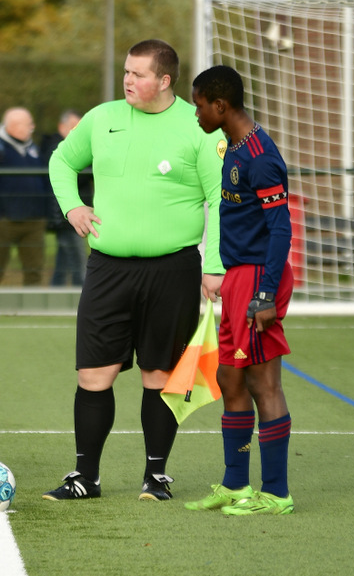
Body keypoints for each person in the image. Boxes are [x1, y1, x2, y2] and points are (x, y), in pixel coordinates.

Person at [43, 39, 226, 502]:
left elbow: (220, 199)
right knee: (93, 375)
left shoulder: (200, 127)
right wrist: (72, 206)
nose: (127, 80)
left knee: (159, 376)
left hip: (173, 271)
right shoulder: (101, 118)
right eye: (126, 71)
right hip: (107, 269)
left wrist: (214, 265)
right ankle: (86, 477)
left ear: (164, 80)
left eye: (137, 74)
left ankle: (156, 476)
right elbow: (62, 161)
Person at [185, 65, 294, 515]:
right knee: (229, 377)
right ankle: (235, 485)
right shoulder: (232, 145)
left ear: (220, 105)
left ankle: (276, 493)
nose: (196, 114)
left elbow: (281, 229)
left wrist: (265, 294)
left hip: (258, 278)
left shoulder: (261, 157)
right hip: (236, 277)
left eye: (199, 106)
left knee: (263, 383)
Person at [0, 107, 49, 286]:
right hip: (5, 221)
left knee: (34, 272)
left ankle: (32, 304)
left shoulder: (34, 149)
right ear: (14, 126)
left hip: (34, 221)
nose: (32, 127)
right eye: (28, 124)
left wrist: (44, 211)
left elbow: (45, 179)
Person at [41, 109, 90, 286]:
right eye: (73, 126)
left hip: (68, 214)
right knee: (78, 262)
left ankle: (57, 289)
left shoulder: (74, 148)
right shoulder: (57, 149)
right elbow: (67, 177)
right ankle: (81, 292)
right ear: (61, 126)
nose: (77, 131)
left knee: (63, 261)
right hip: (66, 215)